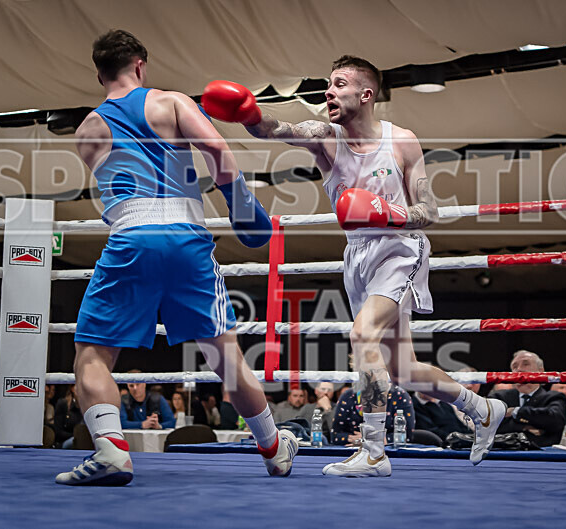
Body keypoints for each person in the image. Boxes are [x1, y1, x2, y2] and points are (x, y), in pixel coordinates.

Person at [203, 55, 505, 477]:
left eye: (339, 83)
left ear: (365, 94)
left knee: (361, 334)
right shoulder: (326, 137)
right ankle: (484, 408)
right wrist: (250, 115)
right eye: (328, 84)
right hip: (358, 254)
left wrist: (388, 213)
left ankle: (375, 452)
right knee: (402, 367)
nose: (329, 91)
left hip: (400, 246)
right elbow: (278, 129)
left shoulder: (401, 140)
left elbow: (429, 208)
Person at [55, 29, 297, 486]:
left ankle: (111, 451)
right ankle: (273, 447)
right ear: (140, 65)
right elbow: (216, 150)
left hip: (131, 238)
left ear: (100, 73)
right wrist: (241, 204)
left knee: (93, 355)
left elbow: (117, 192)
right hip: (187, 238)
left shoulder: (87, 131)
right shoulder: (170, 103)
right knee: (226, 358)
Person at [489, 351, 566, 447]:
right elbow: (488, 424)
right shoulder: (500, 397)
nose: (519, 369)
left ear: (540, 371)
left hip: (543, 456)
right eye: (514, 366)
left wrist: (515, 411)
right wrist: (524, 427)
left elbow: (555, 420)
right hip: (503, 454)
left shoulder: (554, 397)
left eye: (526, 364)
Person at [331, 386, 414, 446]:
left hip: (389, 453)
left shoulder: (399, 395)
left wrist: (377, 440)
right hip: (353, 451)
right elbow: (335, 435)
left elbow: (408, 436)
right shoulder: (348, 396)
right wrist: (351, 439)